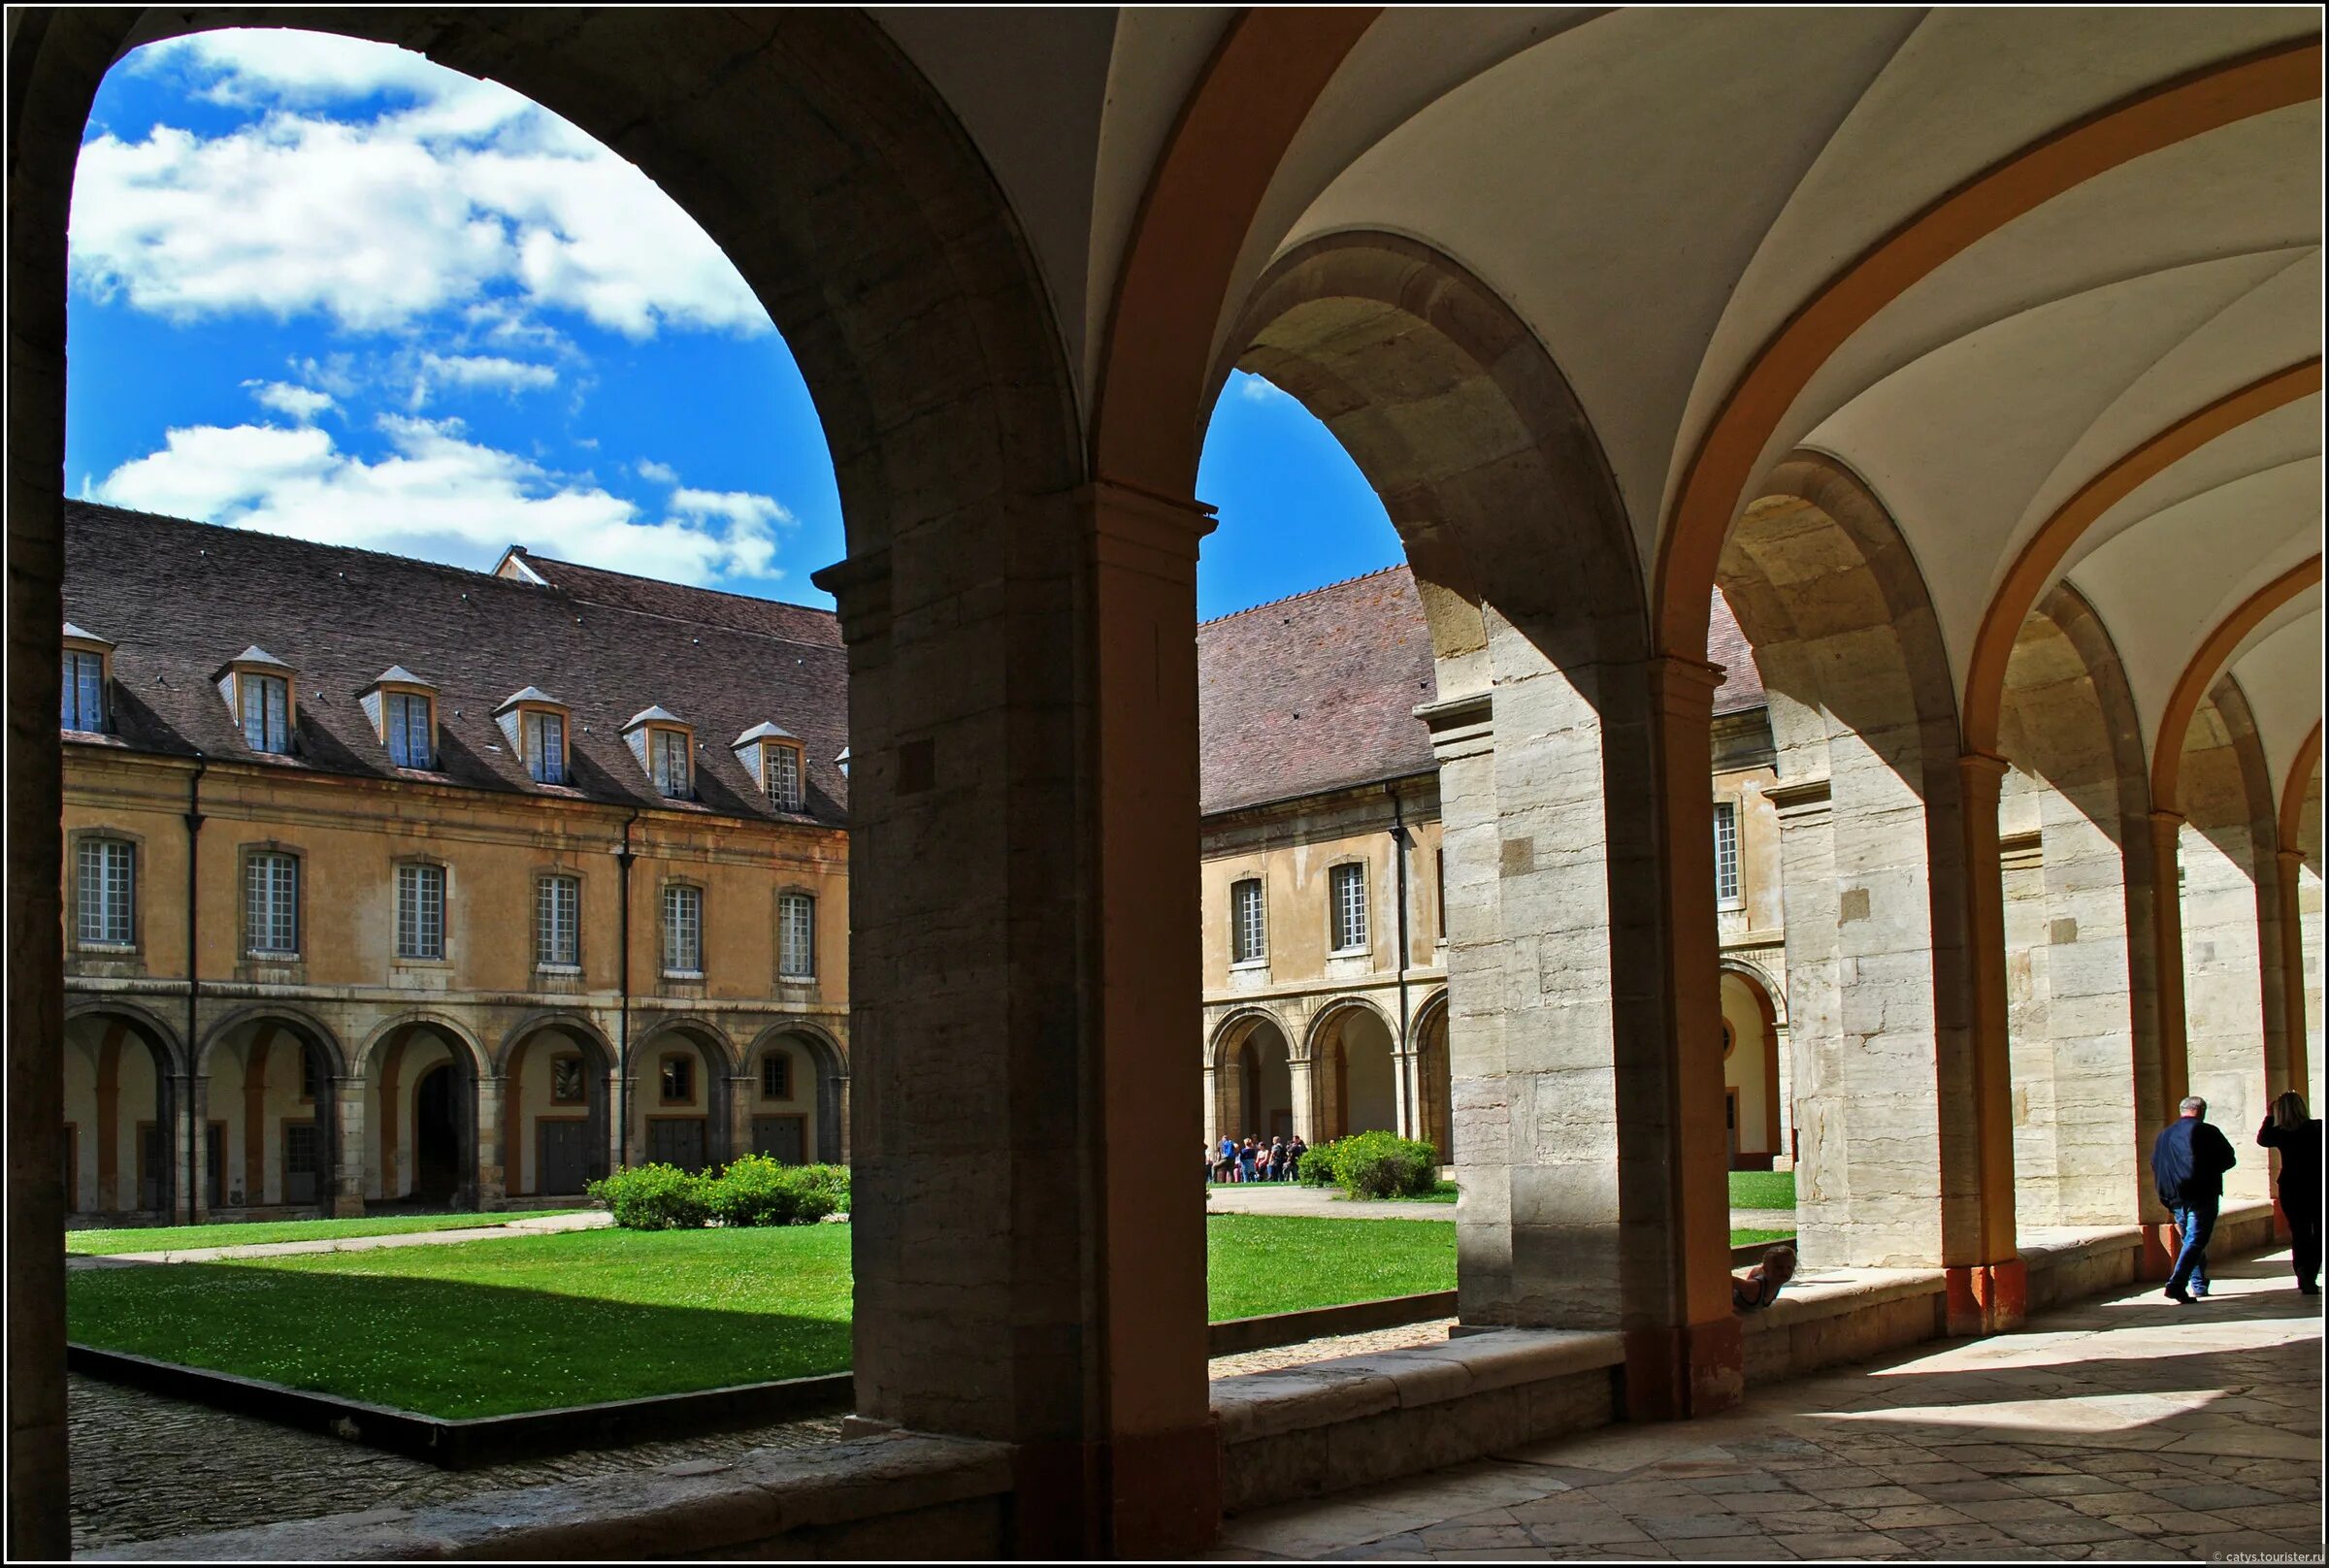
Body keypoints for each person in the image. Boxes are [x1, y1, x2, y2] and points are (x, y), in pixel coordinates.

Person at [2150, 1094, 2238, 1304]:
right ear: (2201, 1111)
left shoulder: (2164, 1135)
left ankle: (2198, 1284)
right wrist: (2208, 1173)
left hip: (2175, 1196)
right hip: (2202, 1195)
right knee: (2196, 1239)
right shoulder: (2207, 1131)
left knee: (2190, 1240)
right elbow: (2229, 1159)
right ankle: (2177, 1284)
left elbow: (2156, 1163)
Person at [2258, 1091, 2321, 1296]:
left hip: (2291, 1187)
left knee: (2299, 1232)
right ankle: (2310, 1274)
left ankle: (2304, 1275)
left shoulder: (2280, 1132)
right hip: (2316, 1186)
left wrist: (2269, 1115)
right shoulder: (2317, 1128)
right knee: (2319, 1233)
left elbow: (2262, 1139)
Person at [1732, 1243, 1796, 1314]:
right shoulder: (1755, 1287)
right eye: (1778, 1268)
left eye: (1789, 1267)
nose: (1785, 1271)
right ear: (1765, 1269)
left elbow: (1756, 1269)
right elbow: (1730, 1280)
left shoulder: (1777, 1282)